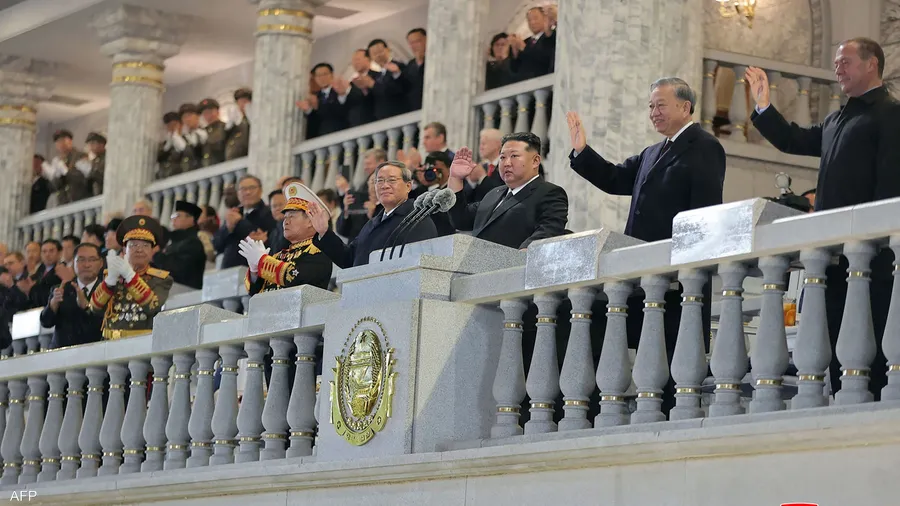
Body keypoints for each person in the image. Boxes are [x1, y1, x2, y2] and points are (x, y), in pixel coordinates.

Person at [746, 37, 900, 400]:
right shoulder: (835, 119)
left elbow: (890, 185)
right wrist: (764, 105)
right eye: (836, 63)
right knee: (831, 336)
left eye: (846, 61)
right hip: (831, 253)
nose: (837, 69)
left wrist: (878, 243)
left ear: (871, 64)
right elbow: (792, 139)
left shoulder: (891, 113)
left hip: (871, 254)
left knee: (870, 339)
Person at [567, 78, 726, 242]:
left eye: (661, 105)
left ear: (685, 108)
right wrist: (582, 151)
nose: (654, 113)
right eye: (651, 106)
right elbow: (615, 178)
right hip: (636, 250)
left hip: (670, 253)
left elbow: (705, 213)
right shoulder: (651, 153)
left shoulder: (705, 147)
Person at [447, 133, 568, 250]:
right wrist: (455, 178)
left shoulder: (550, 193)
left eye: (514, 156)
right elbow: (461, 219)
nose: (506, 163)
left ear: (535, 161)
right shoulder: (494, 194)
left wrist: (523, 253)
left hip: (515, 263)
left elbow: (548, 231)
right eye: (502, 157)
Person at [308, 161, 437, 267]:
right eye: (379, 181)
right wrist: (324, 232)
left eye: (392, 180)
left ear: (408, 186)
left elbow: (419, 266)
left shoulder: (417, 220)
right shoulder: (372, 224)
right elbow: (349, 259)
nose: (384, 186)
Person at [90, 215, 173, 340]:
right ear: (124, 249)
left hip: (140, 342)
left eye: (145, 245)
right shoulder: (112, 275)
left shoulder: (161, 278)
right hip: (108, 342)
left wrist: (130, 276)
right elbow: (94, 308)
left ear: (152, 251)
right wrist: (109, 282)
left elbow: (152, 306)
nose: (139, 250)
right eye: (133, 245)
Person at [241, 182, 333, 294]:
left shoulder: (320, 251)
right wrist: (255, 270)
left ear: (310, 221)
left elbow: (295, 278)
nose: (286, 222)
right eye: (285, 217)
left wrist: (262, 262)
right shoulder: (278, 256)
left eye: (292, 216)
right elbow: (254, 292)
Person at [40, 243, 104, 349]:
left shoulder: (107, 290)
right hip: (62, 353)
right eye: (81, 260)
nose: (86, 265)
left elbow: (104, 325)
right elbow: (46, 322)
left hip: (95, 351)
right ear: (73, 263)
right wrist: (53, 304)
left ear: (101, 263)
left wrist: (86, 307)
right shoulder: (62, 289)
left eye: (92, 260)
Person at [214, 174, 277, 269]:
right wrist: (228, 228)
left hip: (253, 270)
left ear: (260, 190)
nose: (247, 192)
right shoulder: (234, 213)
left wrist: (239, 222)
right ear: (237, 193)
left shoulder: (269, 212)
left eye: (252, 188)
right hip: (229, 270)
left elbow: (259, 235)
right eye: (243, 189)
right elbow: (217, 245)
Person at [153, 201, 207, 290]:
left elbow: (178, 270)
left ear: (191, 219)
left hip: (186, 291)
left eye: (177, 216)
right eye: (173, 216)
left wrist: (156, 255)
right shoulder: (172, 243)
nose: (173, 219)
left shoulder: (193, 243)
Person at [299, 63, 351, 137]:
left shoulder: (340, 90)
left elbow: (344, 110)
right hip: (323, 135)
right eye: (318, 75)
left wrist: (342, 95)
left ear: (332, 75)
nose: (322, 78)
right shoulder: (315, 97)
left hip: (342, 132)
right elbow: (315, 122)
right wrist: (309, 110)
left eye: (325, 74)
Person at [508, 7, 556, 82]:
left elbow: (546, 59)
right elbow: (514, 70)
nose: (532, 22)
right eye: (529, 20)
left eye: (535, 18)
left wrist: (525, 48)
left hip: (543, 81)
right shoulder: (525, 41)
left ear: (544, 18)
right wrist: (515, 52)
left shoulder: (551, 37)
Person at [364, 39, 408, 120]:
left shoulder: (399, 66)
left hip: (400, 114)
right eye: (374, 54)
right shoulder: (377, 75)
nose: (378, 55)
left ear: (388, 50)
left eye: (380, 51)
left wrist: (397, 73)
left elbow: (402, 87)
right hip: (382, 117)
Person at [44, 129, 91, 204]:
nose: (61, 144)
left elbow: (82, 178)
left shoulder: (80, 156)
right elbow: (55, 188)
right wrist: (54, 177)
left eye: (63, 140)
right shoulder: (57, 161)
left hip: (79, 199)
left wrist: (66, 172)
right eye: (58, 142)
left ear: (70, 141)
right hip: (63, 202)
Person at [29, 239, 65, 308]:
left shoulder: (62, 272)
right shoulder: (37, 272)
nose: (47, 254)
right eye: (44, 251)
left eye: (51, 251)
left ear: (59, 253)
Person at [157, 111, 193, 178]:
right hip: (167, 178)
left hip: (184, 176)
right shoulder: (164, 145)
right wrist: (167, 146)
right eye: (169, 126)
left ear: (181, 125)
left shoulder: (188, 139)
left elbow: (190, 154)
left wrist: (178, 139)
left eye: (174, 125)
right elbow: (160, 159)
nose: (172, 128)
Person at [226, 88, 252, 160]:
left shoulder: (252, 121)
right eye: (239, 102)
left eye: (244, 101)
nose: (242, 105)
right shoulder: (238, 124)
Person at [404, 28, 426, 111]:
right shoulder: (411, 64)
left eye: (417, 41)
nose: (414, 46)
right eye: (411, 43)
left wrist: (421, 62)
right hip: (416, 107)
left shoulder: (434, 59)